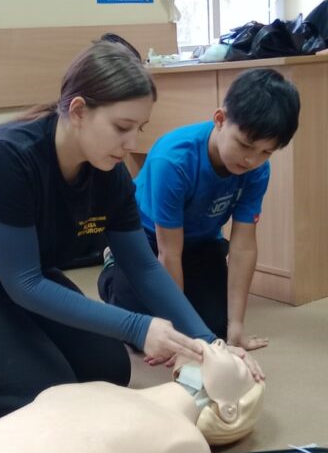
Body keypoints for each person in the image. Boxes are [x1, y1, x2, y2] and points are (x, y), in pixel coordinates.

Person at [0, 35, 261, 429]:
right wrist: (138, 327)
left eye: (139, 128)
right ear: (79, 110)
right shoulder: (7, 156)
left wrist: (208, 342)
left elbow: (142, 266)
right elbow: (24, 283)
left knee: (108, 368)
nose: (131, 143)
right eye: (122, 127)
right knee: (41, 396)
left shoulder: (108, 171)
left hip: (13, 280)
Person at [98, 68, 300, 349]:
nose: (251, 160)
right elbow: (169, 252)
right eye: (245, 145)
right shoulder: (173, 160)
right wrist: (181, 337)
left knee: (214, 330)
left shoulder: (257, 170)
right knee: (141, 332)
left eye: (266, 152)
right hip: (147, 238)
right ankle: (112, 267)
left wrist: (236, 327)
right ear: (220, 119)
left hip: (201, 240)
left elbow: (243, 246)